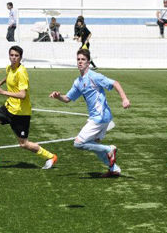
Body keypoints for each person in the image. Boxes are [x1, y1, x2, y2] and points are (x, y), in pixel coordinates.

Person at [49, 49, 131, 177]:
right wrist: (58, 96)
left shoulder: (94, 76)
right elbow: (68, 98)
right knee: (94, 146)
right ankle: (114, 169)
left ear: (88, 63)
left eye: (83, 59)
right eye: (78, 59)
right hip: (102, 117)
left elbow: (115, 83)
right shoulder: (78, 82)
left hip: (100, 117)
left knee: (78, 143)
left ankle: (109, 149)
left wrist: (124, 99)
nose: (80, 62)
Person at [0, 46, 58, 168]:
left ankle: (50, 157)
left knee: (24, 144)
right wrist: (0, 82)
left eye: (16, 56)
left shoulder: (21, 72)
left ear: (20, 57)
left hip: (21, 113)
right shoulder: (9, 68)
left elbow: (23, 95)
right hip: (8, 107)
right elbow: (9, 76)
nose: (14, 58)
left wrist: (3, 92)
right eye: (12, 55)